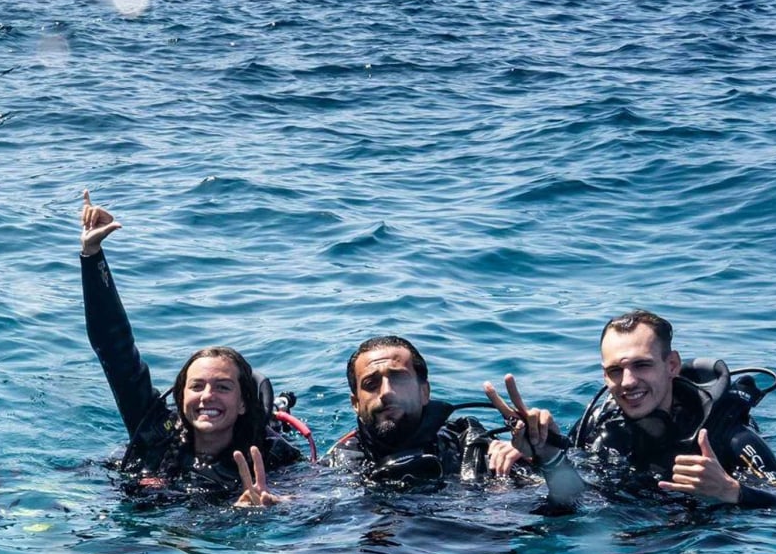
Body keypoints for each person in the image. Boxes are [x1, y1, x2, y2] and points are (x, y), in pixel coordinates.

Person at [79, 191, 301, 505]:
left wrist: (274, 511)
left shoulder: (273, 456)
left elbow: (317, 502)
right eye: (197, 386)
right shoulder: (156, 431)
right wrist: (92, 255)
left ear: (242, 403)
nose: (207, 396)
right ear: (181, 397)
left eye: (223, 387)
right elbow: (114, 349)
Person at [484, 310, 776, 508]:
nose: (628, 382)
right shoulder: (600, 425)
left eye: (642, 365)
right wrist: (541, 454)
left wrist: (731, 491)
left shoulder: (730, 437)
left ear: (671, 365)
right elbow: (574, 496)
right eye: (615, 371)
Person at [324, 335, 496, 485]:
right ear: (356, 404)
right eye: (371, 384)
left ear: (424, 392)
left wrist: (515, 453)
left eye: (398, 379)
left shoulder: (470, 447)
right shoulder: (336, 468)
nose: (386, 392)